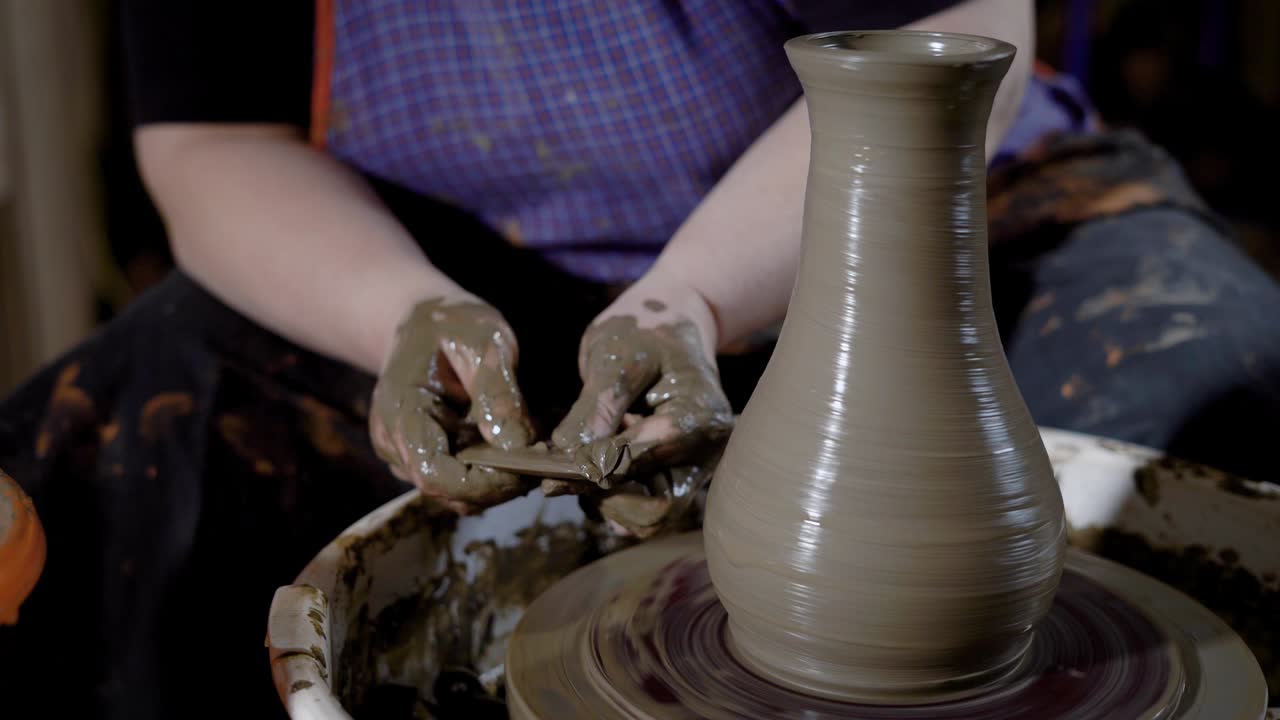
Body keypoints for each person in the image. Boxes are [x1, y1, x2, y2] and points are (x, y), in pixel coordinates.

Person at [2, 0, 1277, 717]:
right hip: (432, 261)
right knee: (112, 468)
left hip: (916, 219)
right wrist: (404, 312)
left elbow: (953, 40)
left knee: (1221, 385)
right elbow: (212, 139)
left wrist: (683, 304)